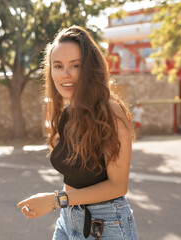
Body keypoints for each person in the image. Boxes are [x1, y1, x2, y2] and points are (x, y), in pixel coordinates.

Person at [17, 26, 139, 240]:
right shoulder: (68, 113)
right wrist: (61, 204)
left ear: (90, 68)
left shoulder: (110, 111)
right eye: (58, 66)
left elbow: (118, 186)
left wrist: (55, 200)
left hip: (106, 224)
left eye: (75, 65)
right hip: (68, 219)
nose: (66, 74)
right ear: (50, 71)